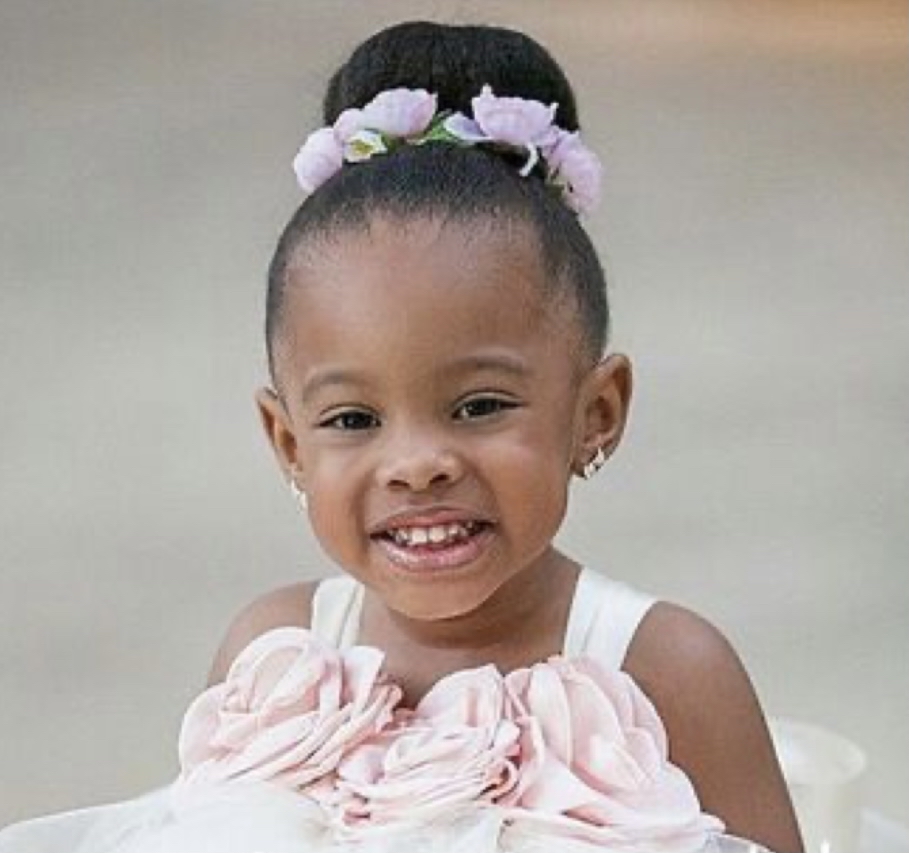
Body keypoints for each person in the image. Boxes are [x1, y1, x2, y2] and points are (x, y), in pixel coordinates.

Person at [0, 20, 803, 853]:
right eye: (353, 419)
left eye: (481, 405)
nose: (418, 464)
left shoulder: (665, 669)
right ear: (286, 443)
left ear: (595, 411)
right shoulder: (277, 655)